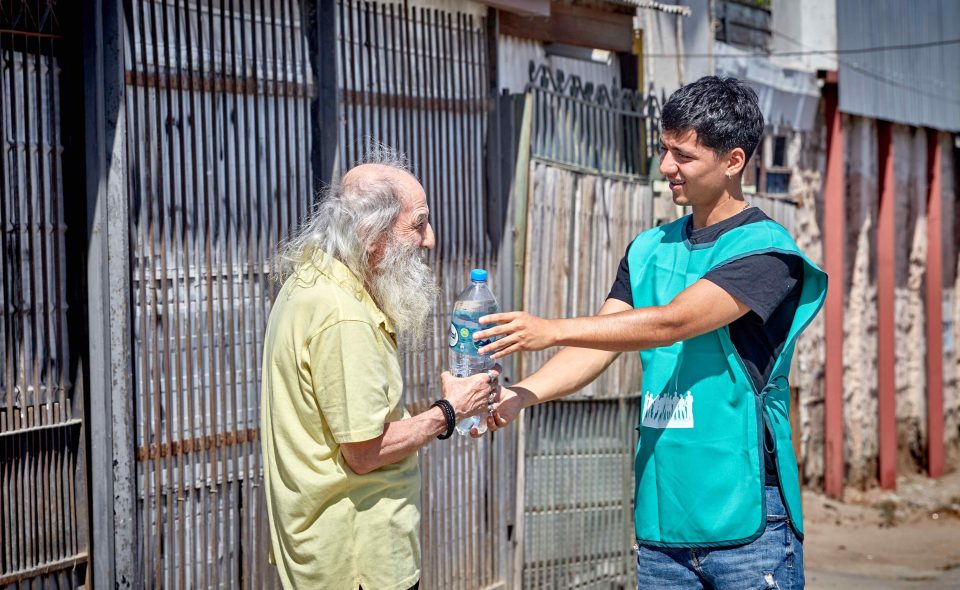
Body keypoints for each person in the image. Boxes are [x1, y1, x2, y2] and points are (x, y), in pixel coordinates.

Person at [476, 76, 827, 589]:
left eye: (683, 155)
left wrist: (548, 329)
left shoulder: (766, 251)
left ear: (733, 161)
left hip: (749, 523)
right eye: (664, 150)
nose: (666, 167)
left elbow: (674, 322)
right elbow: (596, 346)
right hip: (664, 524)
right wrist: (520, 395)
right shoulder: (648, 249)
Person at [260, 148, 499, 590]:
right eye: (418, 224)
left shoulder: (311, 281)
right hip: (357, 562)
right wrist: (450, 411)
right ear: (372, 234)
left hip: (329, 550)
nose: (429, 240)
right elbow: (365, 452)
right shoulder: (344, 315)